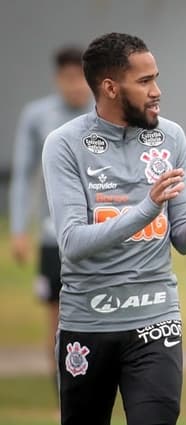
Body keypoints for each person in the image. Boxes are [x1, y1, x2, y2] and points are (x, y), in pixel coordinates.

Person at [42, 32, 186, 425]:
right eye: (144, 81)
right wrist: (146, 207)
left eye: (155, 78)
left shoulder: (170, 137)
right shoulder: (65, 145)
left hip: (155, 321)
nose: (157, 91)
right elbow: (72, 243)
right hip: (87, 324)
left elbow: (182, 240)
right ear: (109, 87)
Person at [9, 45, 92, 376]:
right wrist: (18, 229)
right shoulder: (38, 116)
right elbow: (22, 175)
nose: (75, 86)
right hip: (53, 237)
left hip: (99, 235)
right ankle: (62, 396)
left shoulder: (104, 113)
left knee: (100, 320)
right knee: (58, 322)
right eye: (68, 78)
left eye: (81, 78)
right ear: (58, 79)